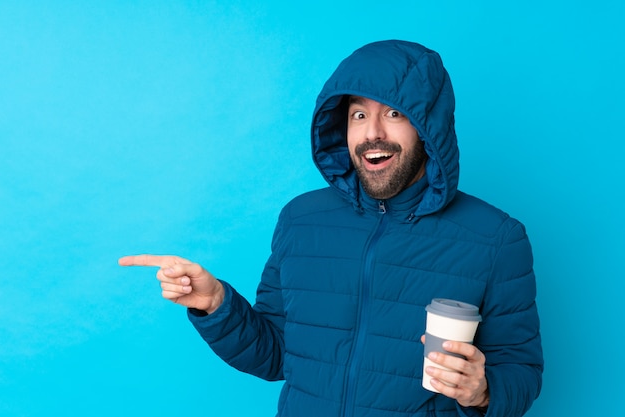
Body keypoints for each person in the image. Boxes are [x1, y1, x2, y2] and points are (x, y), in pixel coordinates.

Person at [119, 40, 543, 417]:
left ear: (428, 125)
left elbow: (520, 371)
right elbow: (277, 356)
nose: (373, 133)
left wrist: (483, 391)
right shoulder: (301, 220)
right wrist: (215, 304)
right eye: (359, 114)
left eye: (395, 113)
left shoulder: (495, 238)